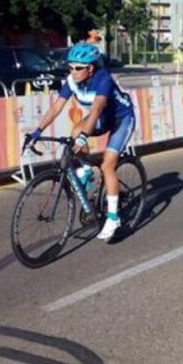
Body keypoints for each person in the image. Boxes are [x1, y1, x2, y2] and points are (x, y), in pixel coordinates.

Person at [27, 43, 135, 241]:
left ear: (90, 68)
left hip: (122, 118)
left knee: (107, 165)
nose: (73, 72)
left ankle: (113, 218)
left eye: (78, 68)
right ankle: (86, 168)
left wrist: (85, 135)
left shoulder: (103, 80)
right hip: (102, 119)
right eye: (70, 67)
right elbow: (57, 107)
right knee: (76, 130)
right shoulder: (72, 81)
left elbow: (96, 110)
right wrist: (37, 131)